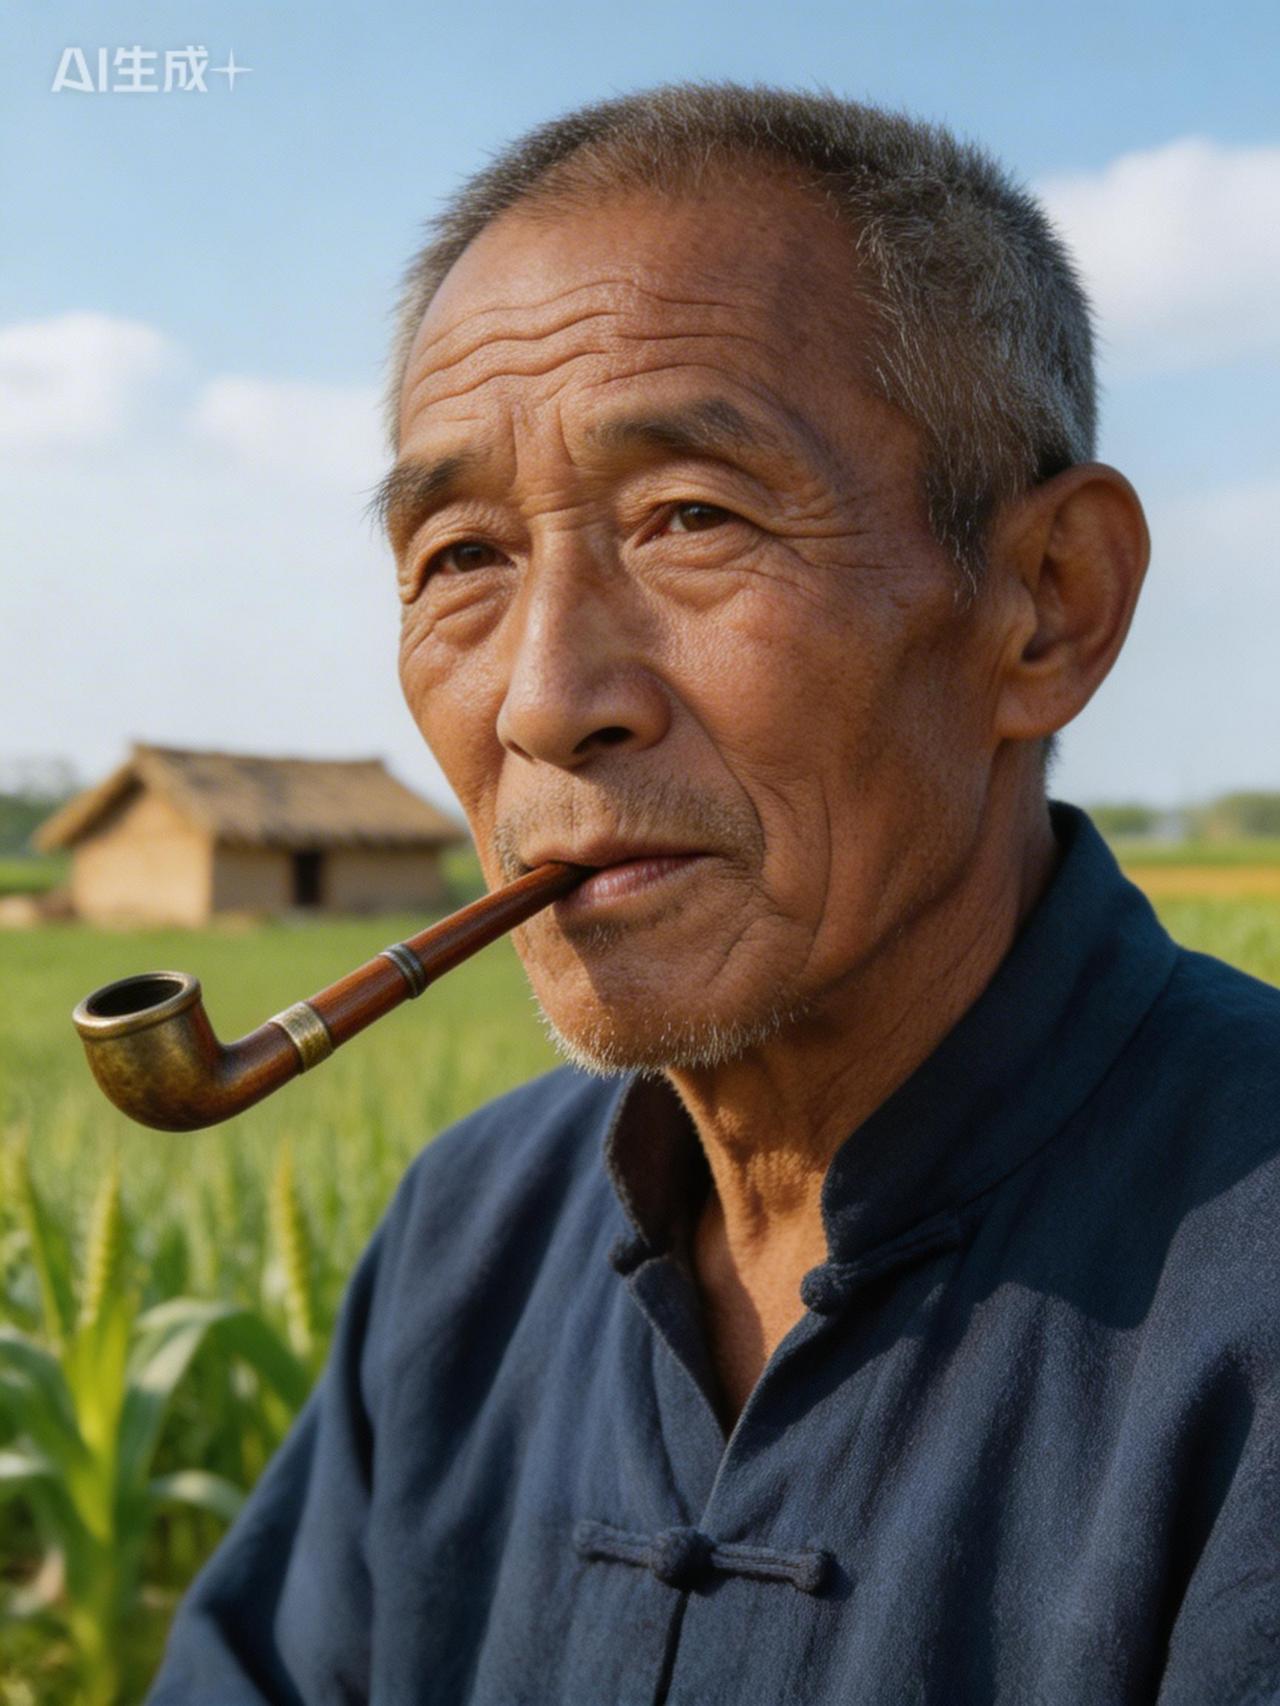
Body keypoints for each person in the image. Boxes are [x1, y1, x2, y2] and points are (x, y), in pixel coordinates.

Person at [146, 85, 1279, 1704]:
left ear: (1047, 605)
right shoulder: (467, 1240)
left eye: (693, 519)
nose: (543, 699)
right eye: (463, 555)